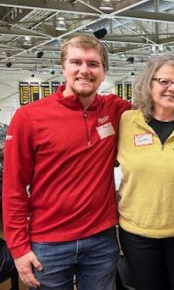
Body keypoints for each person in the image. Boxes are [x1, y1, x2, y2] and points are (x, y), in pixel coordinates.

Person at [2, 34, 130, 289]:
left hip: (101, 240)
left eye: (93, 64)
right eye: (76, 62)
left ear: (104, 72)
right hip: (48, 244)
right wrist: (18, 249)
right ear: (64, 68)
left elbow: (159, 111)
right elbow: (14, 189)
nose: (85, 70)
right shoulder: (29, 117)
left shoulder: (115, 110)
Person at [117, 54, 174, 290]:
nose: (171, 88)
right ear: (149, 84)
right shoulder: (125, 122)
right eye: (164, 81)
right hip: (137, 233)